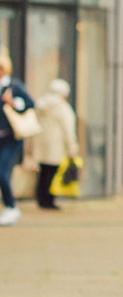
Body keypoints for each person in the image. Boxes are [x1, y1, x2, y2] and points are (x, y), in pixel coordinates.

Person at [32, 79, 79, 210]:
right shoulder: (63, 108)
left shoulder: (41, 105)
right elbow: (68, 130)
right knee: (52, 174)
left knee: (44, 172)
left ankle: (41, 198)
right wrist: (72, 148)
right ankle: (49, 199)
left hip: (41, 144)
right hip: (56, 145)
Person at [0, 54, 35, 226]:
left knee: (2, 172)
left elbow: (30, 104)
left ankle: (11, 206)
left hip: (10, 138)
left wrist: (12, 102)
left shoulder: (13, 86)